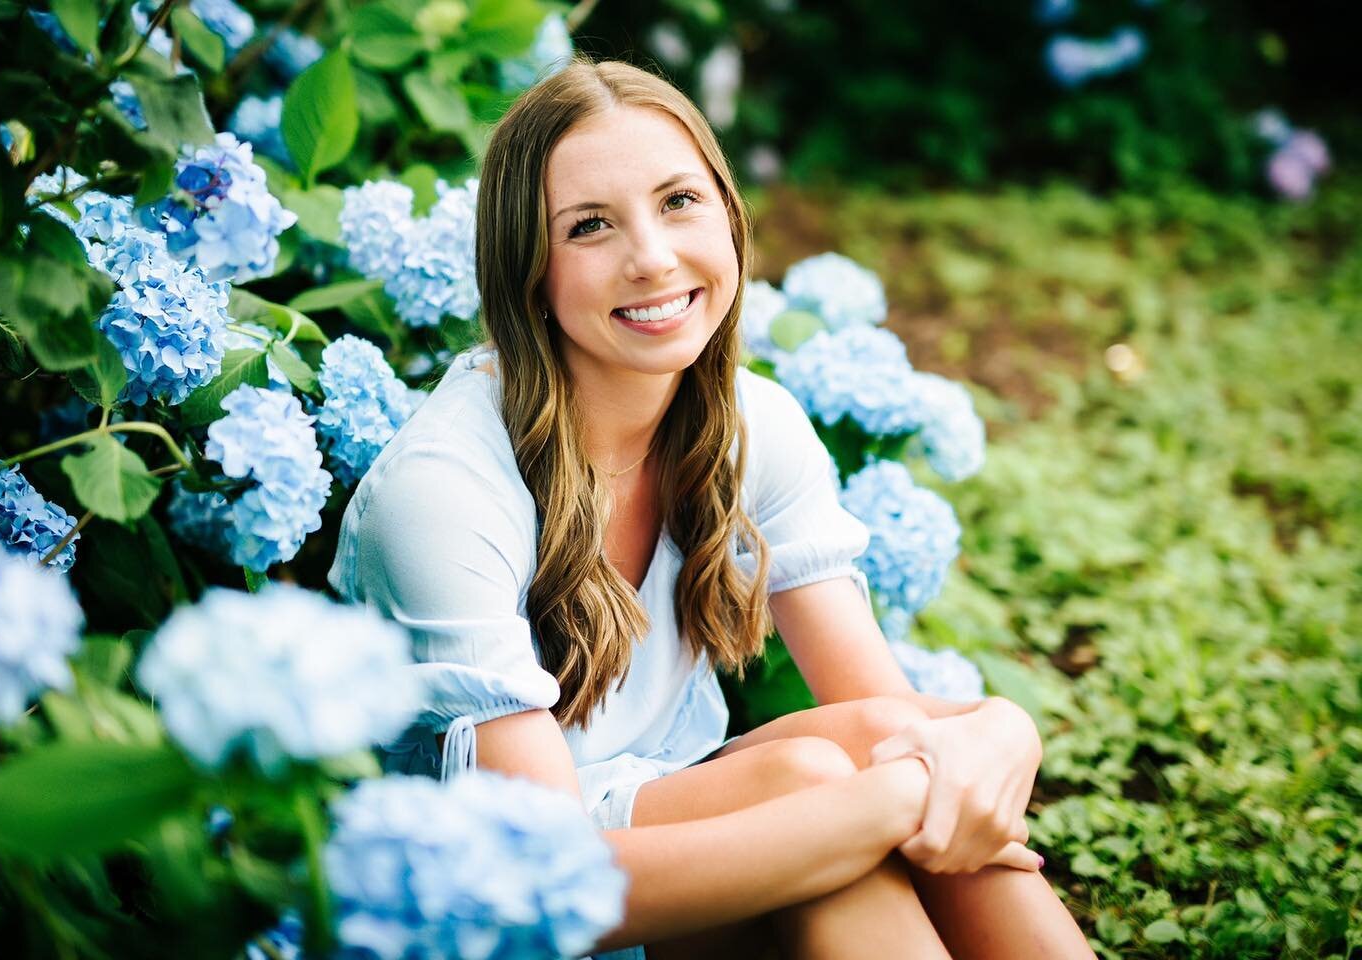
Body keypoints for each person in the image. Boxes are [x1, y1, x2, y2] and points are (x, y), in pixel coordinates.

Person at [329, 57, 1097, 960]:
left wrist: (1003, 730)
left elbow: (886, 713)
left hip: (672, 839)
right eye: (589, 226)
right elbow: (542, 876)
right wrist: (882, 803)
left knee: (865, 763)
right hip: (493, 904)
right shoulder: (442, 490)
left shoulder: (749, 423)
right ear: (528, 272)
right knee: (828, 785)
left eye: (679, 201)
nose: (652, 256)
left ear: (731, 218)